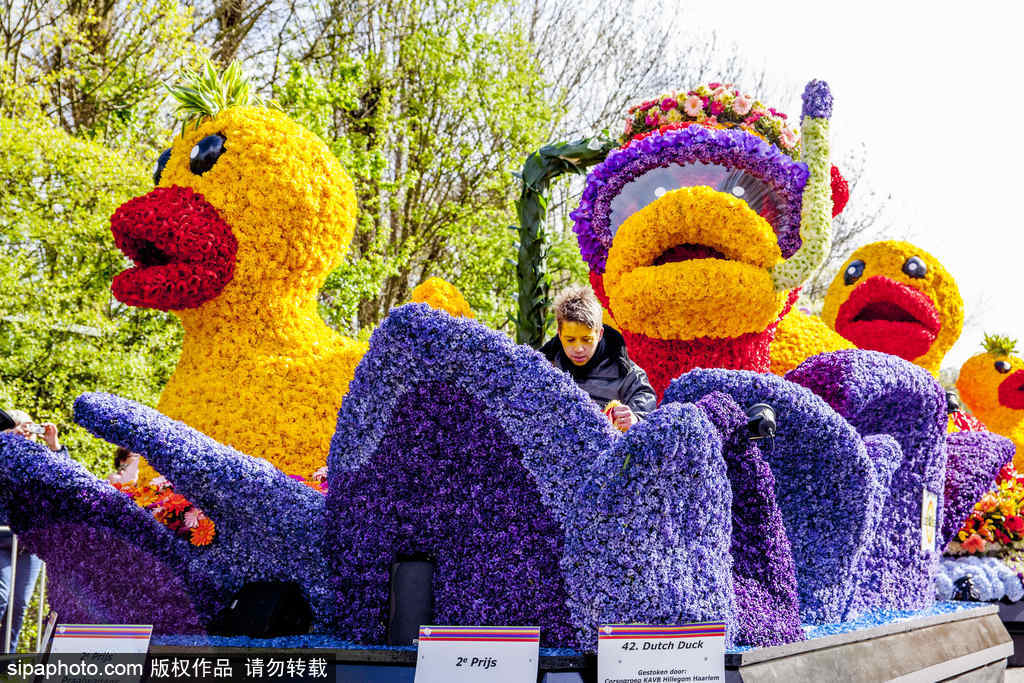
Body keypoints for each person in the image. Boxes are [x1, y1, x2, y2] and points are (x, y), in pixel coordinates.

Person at [540, 285, 656, 431]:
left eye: (586, 339)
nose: (578, 349)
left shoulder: (626, 372)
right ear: (560, 334)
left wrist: (635, 419)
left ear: (599, 334)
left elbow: (646, 403)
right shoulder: (546, 366)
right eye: (570, 340)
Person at [0, 408, 60, 652]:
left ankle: (6, 658)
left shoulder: (41, 458)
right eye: (20, 426)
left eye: (31, 426)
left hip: (30, 544)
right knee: (1, 597)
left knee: (20, 603)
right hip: (3, 538)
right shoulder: (4, 453)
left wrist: (54, 445)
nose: (27, 430)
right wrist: (11, 440)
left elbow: (62, 480)